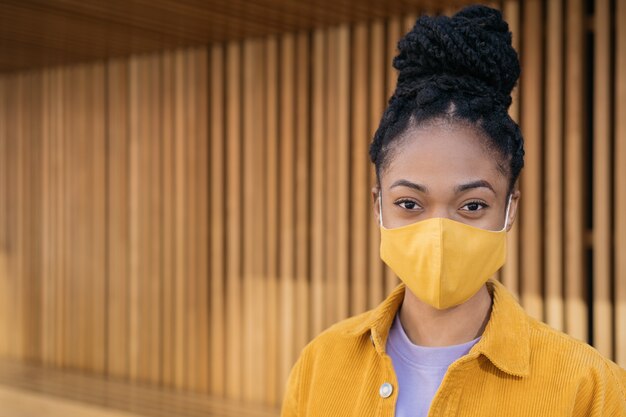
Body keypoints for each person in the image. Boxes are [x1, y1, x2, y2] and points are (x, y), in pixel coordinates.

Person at [280, 5, 626, 417]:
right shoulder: (321, 363)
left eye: (472, 205)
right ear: (378, 206)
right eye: (409, 204)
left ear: (510, 208)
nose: (439, 231)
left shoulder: (587, 386)